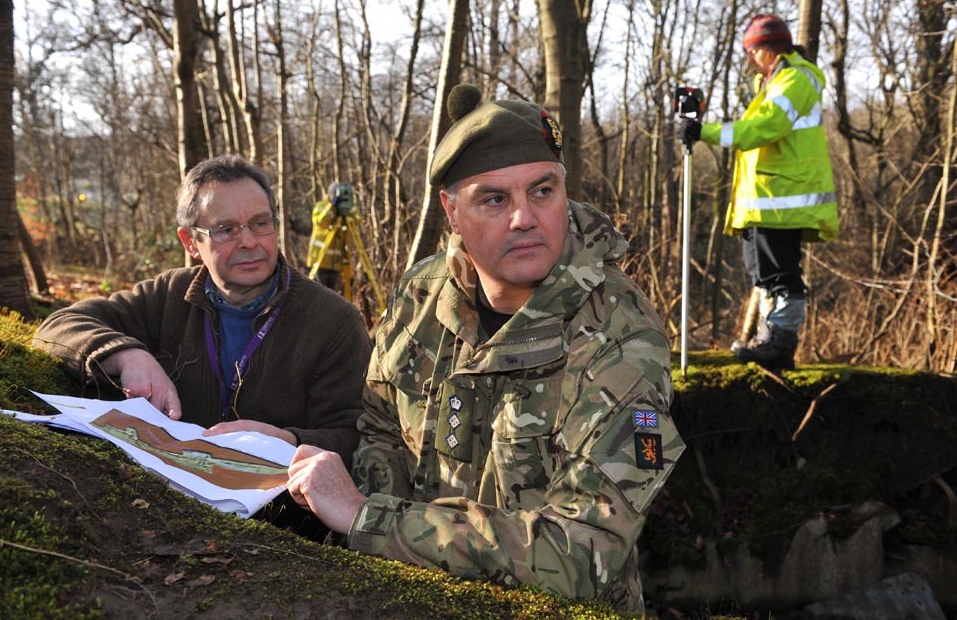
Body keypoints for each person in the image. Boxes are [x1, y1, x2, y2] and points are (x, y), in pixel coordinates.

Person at [286, 84, 684, 613]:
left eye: (542, 192)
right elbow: (380, 428)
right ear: (452, 212)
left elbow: (582, 554)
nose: (524, 218)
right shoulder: (421, 297)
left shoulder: (622, 340)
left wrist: (368, 518)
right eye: (495, 199)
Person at [34, 155, 371, 456]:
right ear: (190, 242)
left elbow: (357, 437)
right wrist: (127, 355)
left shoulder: (334, 321)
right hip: (169, 498)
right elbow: (57, 326)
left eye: (260, 223)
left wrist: (287, 441)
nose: (250, 242)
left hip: (282, 515)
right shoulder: (168, 294)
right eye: (226, 229)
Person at [681, 14, 839, 369]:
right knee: (764, 276)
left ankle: (780, 344)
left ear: (769, 50)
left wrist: (703, 132)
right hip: (765, 200)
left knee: (781, 276)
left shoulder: (797, 79)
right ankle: (769, 337)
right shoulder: (774, 82)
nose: (749, 60)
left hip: (783, 199)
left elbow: (763, 129)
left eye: (752, 52)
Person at [306, 182, 360, 291]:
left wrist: (350, 207)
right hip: (320, 262)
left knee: (332, 297)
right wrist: (332, 206)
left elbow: (358, 220)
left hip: (335, 265)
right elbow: (322, 222)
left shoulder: (345, 213)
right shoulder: (321, 206)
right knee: (319, 295)